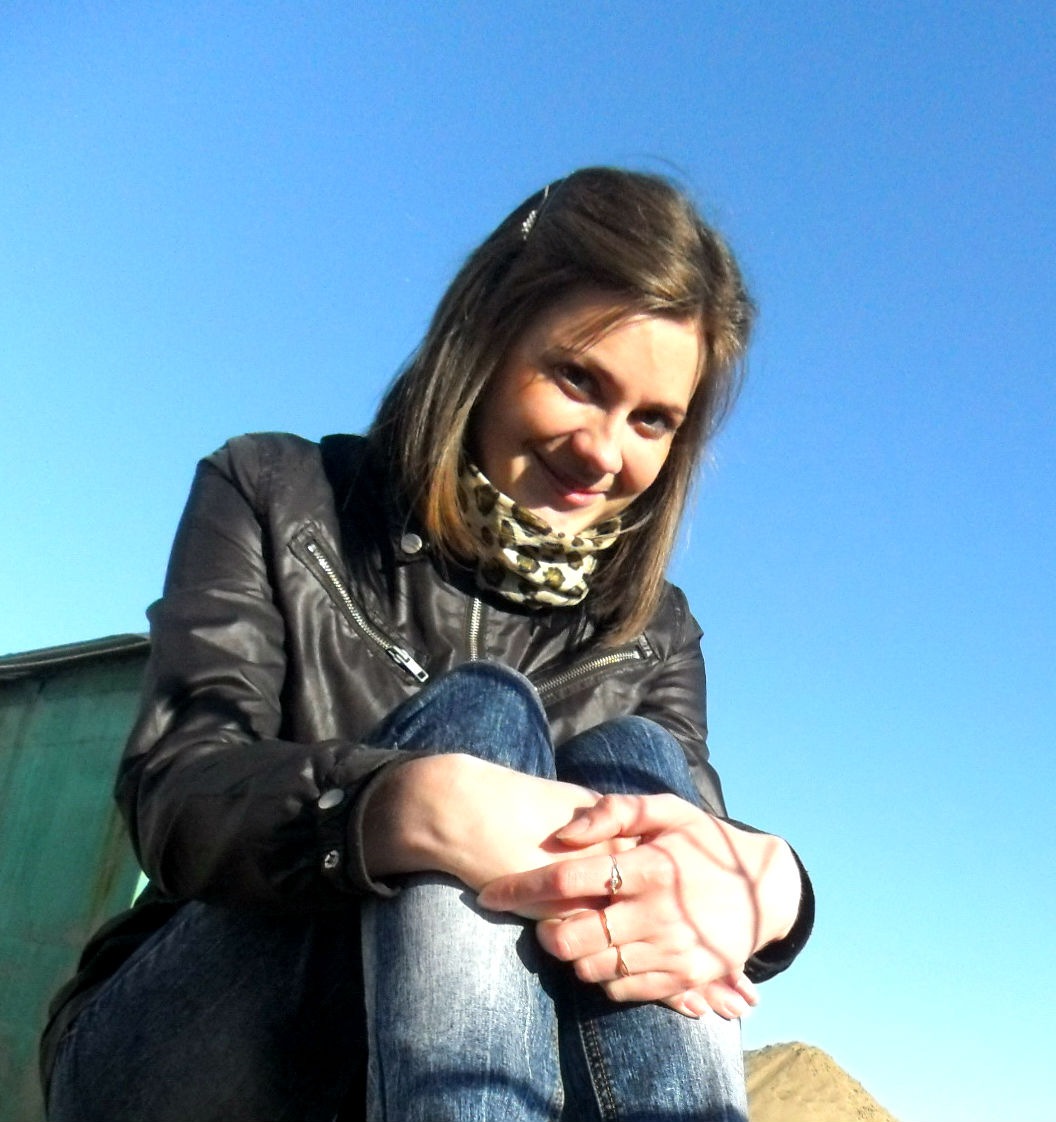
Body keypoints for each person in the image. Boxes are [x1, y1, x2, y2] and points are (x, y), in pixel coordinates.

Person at [42, 167, 813, 1122]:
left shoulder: (654, 632)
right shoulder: (276, 492)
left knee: (642, 764)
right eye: (579, 380)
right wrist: (404, 806)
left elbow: (682, 862)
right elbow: (178, 791)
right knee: (477, 719)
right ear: (487, 332)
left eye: (653, 420)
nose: (605, 451)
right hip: (192, 1046)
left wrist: (775, 892)